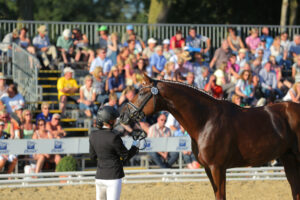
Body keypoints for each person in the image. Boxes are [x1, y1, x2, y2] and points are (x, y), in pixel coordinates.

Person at [89, 106, 139, 200]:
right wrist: (135, 145)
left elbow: (92, 157)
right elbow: (126, 156)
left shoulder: (93, 135)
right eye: (115, 119)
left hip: (99, 176)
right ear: (110, 121)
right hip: (113, 177)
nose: (116, 120)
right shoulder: (114, 136)